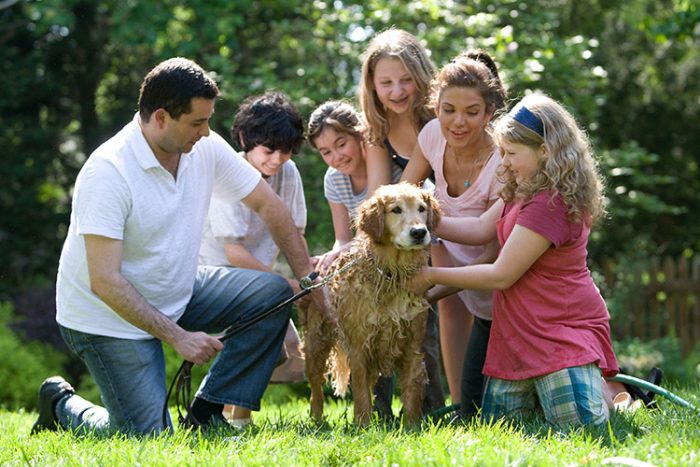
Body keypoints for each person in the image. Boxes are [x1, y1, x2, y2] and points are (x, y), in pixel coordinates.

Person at [31, 57, 321, 436]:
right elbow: (104, 280)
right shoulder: (108, 172)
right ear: (162, 117)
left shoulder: (204, 147)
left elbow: (270, 206)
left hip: (177, 289)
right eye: (197, 122)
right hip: (107, 317)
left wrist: (310, 283)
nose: (206, 132)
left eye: (208, 121)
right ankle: (61, 404)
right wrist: (178, 337)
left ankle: (207, 412)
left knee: (272, 293)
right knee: (147, 436)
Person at [410, 92, 620, 428]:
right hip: (517, 336)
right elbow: (481, 230)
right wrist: (415, 220)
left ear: (545, 151)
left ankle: (616, 399)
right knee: (500, 429)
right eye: (501, 152)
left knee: (579, 426)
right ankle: (597, 392)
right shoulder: (522, 187)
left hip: (558, 334)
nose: (502, 162)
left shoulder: (551, 203)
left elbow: (501, 275)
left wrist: (429, 275)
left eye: (510, 153)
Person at [401, 49, 507, 419]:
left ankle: (622, 391)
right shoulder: (432, 136)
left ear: (490, 113)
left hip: (508, 298)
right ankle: (461, 407)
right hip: (466, 291)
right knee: (472, 410)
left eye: (471, 112)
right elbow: (403, 194)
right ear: (436, 107)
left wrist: (428, 287)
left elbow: (491, 250)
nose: (457, 122)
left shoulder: (505, 162)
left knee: (513, 407)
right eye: (448, 110)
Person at [198, 90, 307, 425]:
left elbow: (294, 234)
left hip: (260, 277)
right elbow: (234, 252)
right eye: (269, 150)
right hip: (217, 274)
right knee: (268, 335)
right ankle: (233, 417)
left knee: (284, 345)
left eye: (285, 151)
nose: (276, 160)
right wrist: (283, 284)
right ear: (245, 139)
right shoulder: (227, 172)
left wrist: (304, 278)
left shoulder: (288, 174)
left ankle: (232, 414)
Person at [358, 28, 444, 417]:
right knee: (385, 299)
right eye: (386, 82)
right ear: (372, 86)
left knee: (427, 324)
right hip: (409, 236)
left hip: (448, 226)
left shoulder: (444, 117)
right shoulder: (377, 132)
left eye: (406, 80)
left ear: (422, 77)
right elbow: (379, 194)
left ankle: (436, 405)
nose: (397, 91)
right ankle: (378, 409)